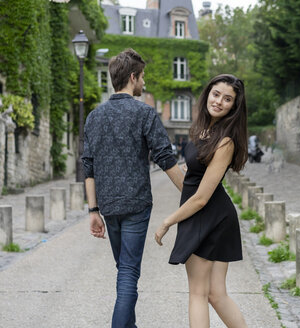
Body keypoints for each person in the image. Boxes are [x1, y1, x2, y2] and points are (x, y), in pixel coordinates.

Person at [81, 48, 184, 328]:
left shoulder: (94, 117)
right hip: (136, 205)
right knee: (128, 272)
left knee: (124, 270)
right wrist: (194, 195)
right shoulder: (144, 113)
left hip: (109, 206)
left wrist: (93, 210)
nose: (144, 84)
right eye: (142, 78)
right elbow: (165, 159)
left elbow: (87, 167)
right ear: (132, 77)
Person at [154, 74, 249, 328]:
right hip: (208, 214)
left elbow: (201, 197)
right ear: (208, 92)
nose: (219, 101)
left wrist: (168, 221)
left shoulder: (225, 140)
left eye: (227, 99)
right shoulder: (202, 130)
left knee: (198, 293)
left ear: (234, 106)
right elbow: (192, 180)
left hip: (209, 216)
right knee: (215, 294)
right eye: (216, 94)